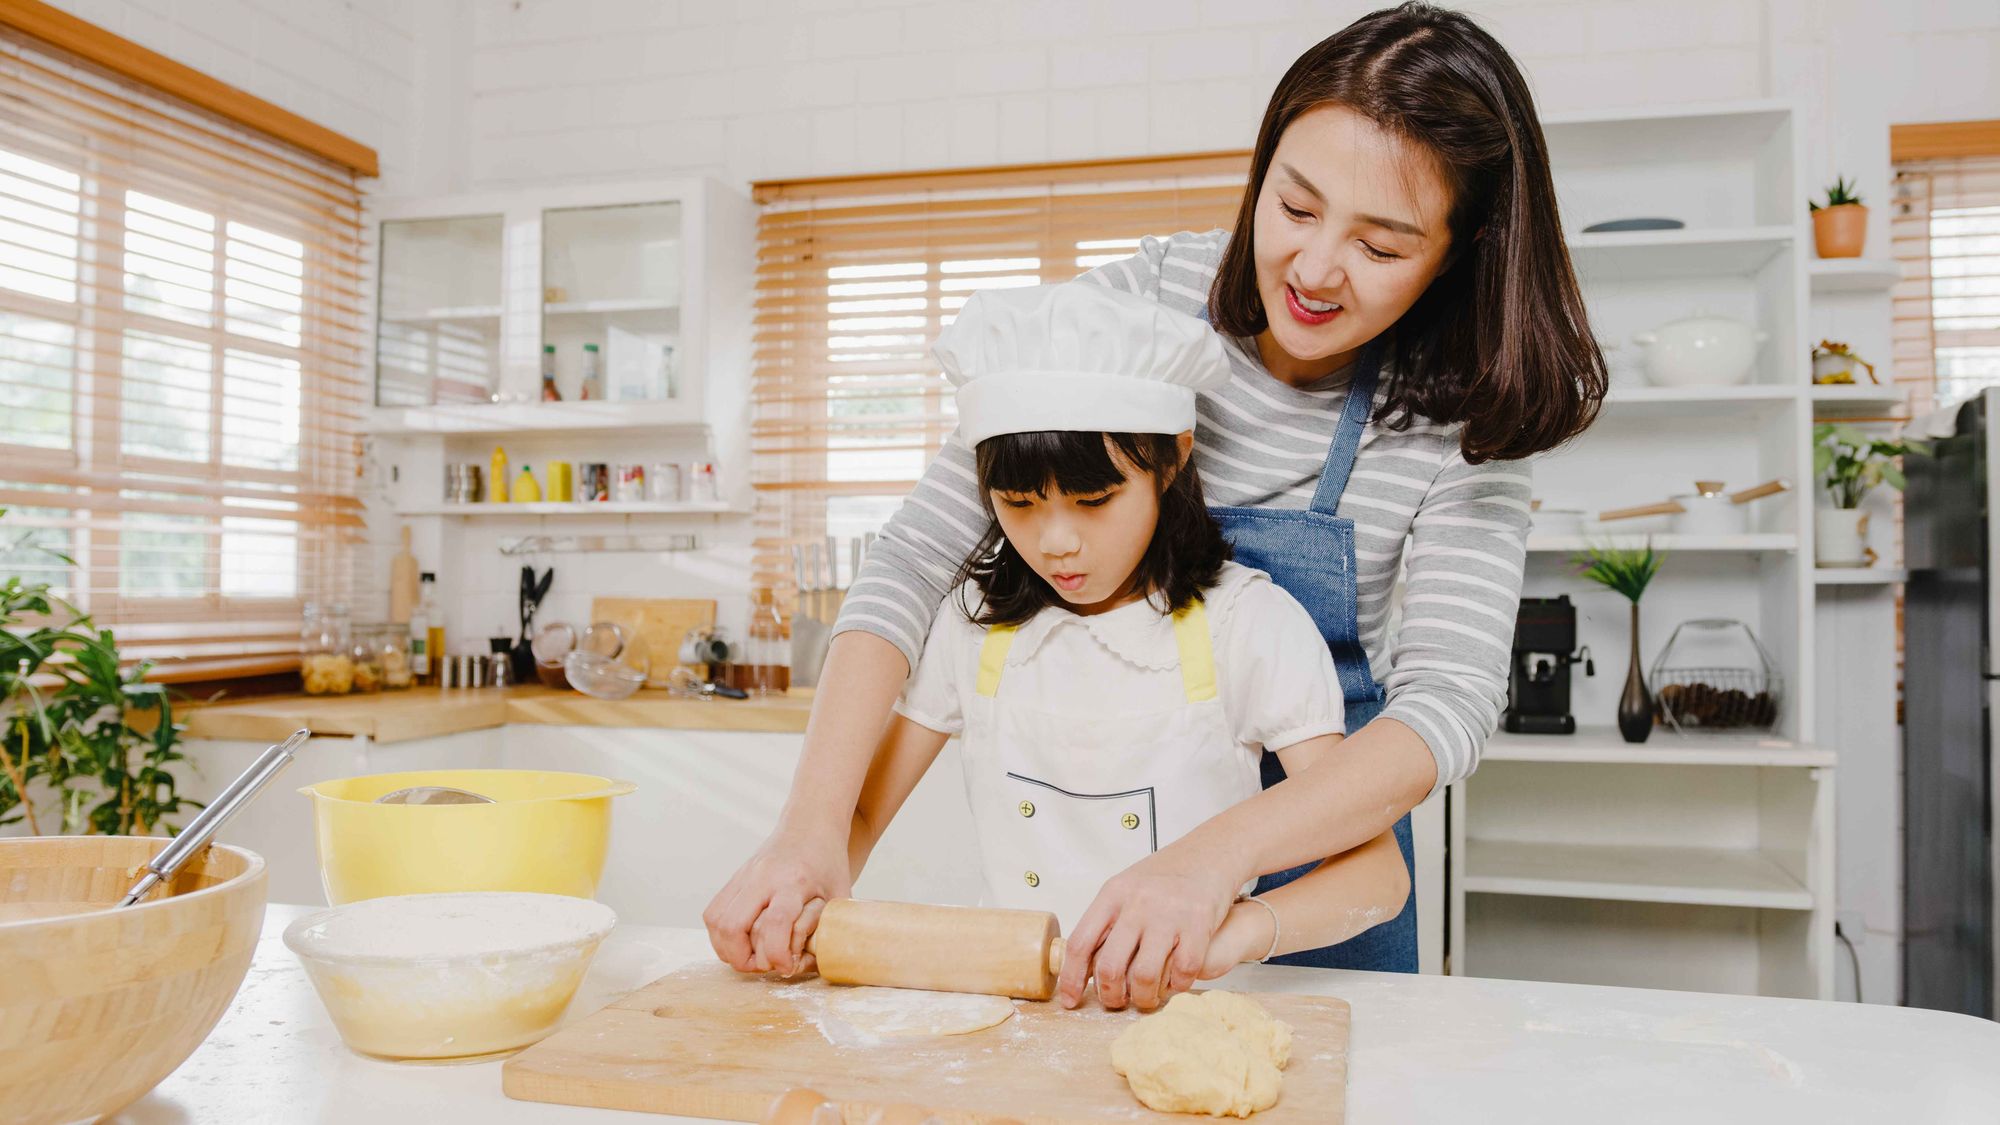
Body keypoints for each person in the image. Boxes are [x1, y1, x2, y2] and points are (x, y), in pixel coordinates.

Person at [706, 2, 1605, 1005]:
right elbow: (914, 561)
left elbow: (1444, 703)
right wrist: (810, 835)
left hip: (1321, 845)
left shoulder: (1463, 415)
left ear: (1461, 247)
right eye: (1293, 207)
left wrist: (1213, 862)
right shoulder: (1141, 307)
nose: (1311, 271)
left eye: (1381, 247)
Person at [834, 282, 1410, 1009]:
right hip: (1014, 1020)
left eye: (1094, 501)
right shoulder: (973, 625)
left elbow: (1379, 874)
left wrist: (1230, 933)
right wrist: (802, 876)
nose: (1056, 542)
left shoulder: (1248, 627)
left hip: (1196, 1012)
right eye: (1018, 504)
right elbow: (856, 817)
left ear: (1172, 460)